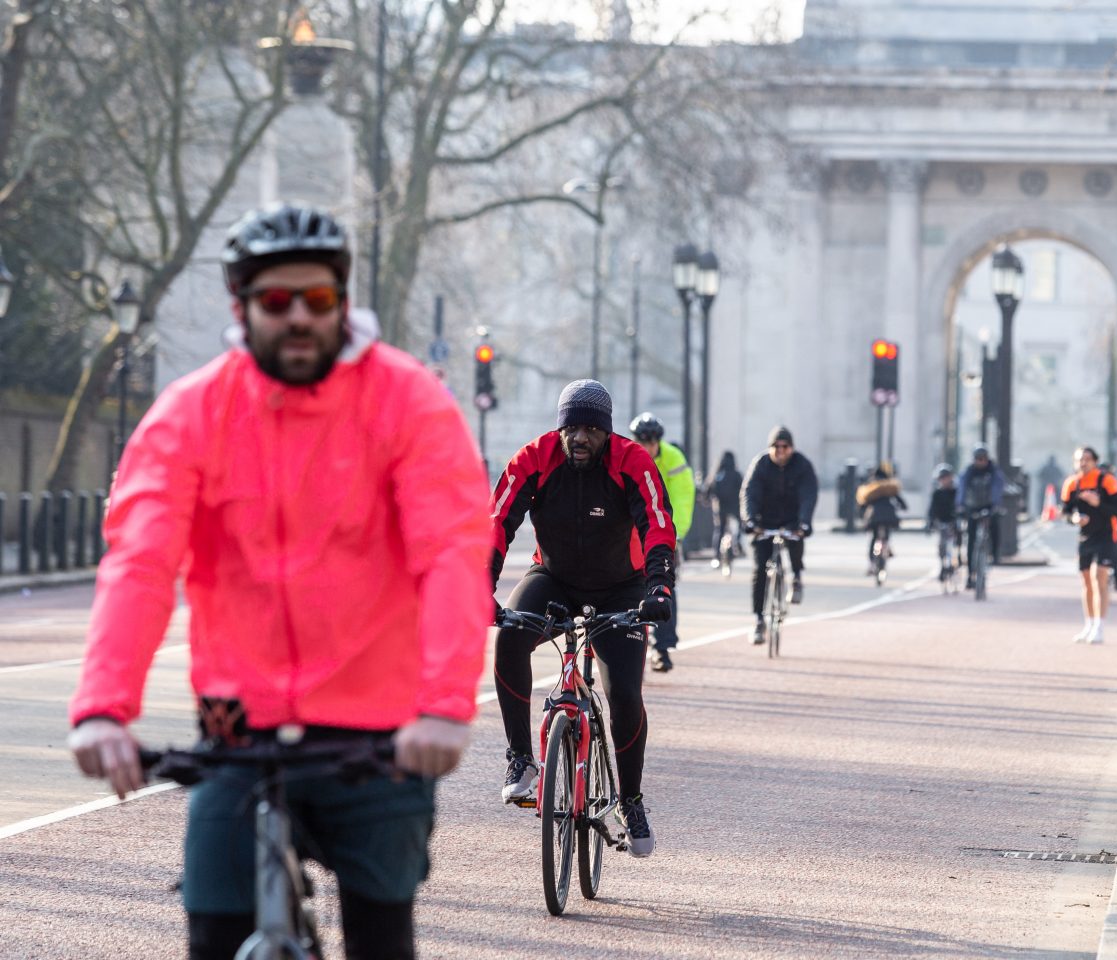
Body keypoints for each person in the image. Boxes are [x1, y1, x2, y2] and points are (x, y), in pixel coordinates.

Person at [66, 202, 493, 960]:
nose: (299, 317)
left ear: (342, 299)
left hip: (383, 731)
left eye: (319, 299)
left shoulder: (410, 402)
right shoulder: (191, 413)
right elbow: (139, 560)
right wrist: (103, 708)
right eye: (276, 301)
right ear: (242, 307)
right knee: (215, 929)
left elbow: (451, 554)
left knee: (381, 936)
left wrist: (442, 708)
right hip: (240, 726)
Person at [490, 380, 675, 857]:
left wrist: (658, 587)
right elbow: (496, 522)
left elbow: (656, 524)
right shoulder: (534, 459)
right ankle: (521, 760)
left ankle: (630, 800)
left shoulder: (632, 462)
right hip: (554, 578)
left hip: (623, 588)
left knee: (625, 695)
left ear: (607, 433)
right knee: (509, 639)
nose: (580, 438)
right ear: (560, 428)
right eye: (572, 427)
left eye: (592, 429)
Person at [630, 412, 694, 673]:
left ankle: (663, 648)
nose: (646, 447)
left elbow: (683, 498)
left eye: (651, 442)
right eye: (641, 441)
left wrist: (673, 534)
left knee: (663, 586)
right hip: (632, 533)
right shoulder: (626, 456)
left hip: (664, 530)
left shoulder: (673, 459)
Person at [742, 426, 818, 644]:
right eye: (776, 446)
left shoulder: (802, 466)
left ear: (791, 448)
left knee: (795, 541)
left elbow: (808, 495)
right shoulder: (761, 465)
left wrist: (804, 522)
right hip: (764, 521)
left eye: (785, 446)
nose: (780, 450)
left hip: (792, 519)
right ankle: (758, 620)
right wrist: (750, 520)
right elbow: (749, 492)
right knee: (760, 571)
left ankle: (796, 577)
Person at [1061, 446, 1117, 644]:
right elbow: (1065, 512)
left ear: (1095, 461)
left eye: (1087, 459)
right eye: (1080, 459)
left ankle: (1100, 626)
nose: (1083, 463)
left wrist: (1098, 504)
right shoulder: (1072, 483)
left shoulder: (1106, 481)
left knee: (1100, 578)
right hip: (1085, 537)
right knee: (1086, 581)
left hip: (1106, 535)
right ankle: (1088, 624)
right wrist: (1074, 519)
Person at [957, 444, 1004, 589]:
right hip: (973, 507)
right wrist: (960, 504)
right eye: (978, 459)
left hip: (989, 506)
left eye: (983, 459)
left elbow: (997, 487)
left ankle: (995, 555)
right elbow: (962, 488)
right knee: (971, 540)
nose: (980, 462)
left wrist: (996, 505)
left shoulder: (993, 472)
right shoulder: (969, 472)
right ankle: (971, 574)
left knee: (995, 527)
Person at [857, 463, 907, 574]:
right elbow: (899, 500)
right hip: (889, 515)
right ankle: (887, 547)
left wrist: (862, 513)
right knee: (887, 534)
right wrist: (904, 507)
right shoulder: (890, 486)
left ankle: (871, 563)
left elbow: (863, 502)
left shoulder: (871, 487)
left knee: (874, 538)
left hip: (874, 516)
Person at [707, 450, 744, 567]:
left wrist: (708, 499)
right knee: (740, 525)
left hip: (720, 507)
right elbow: (743, 490)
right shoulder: (736, 474)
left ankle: (716, 556)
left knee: (719, 530)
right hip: (734, 507)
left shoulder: (717, 474)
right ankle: (737, 543)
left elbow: (708, 490)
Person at [927, 463, 960, 572]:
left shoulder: (956, 492)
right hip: (941, 521)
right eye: (941, 478)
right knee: (942, 545)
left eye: (946, 477)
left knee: (956, 540)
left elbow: (960, 506)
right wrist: (930, 522)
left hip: (953, 520)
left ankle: (956, 559)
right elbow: (932, 509)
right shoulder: (937, 493)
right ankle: (942, 566)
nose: (944, 480)